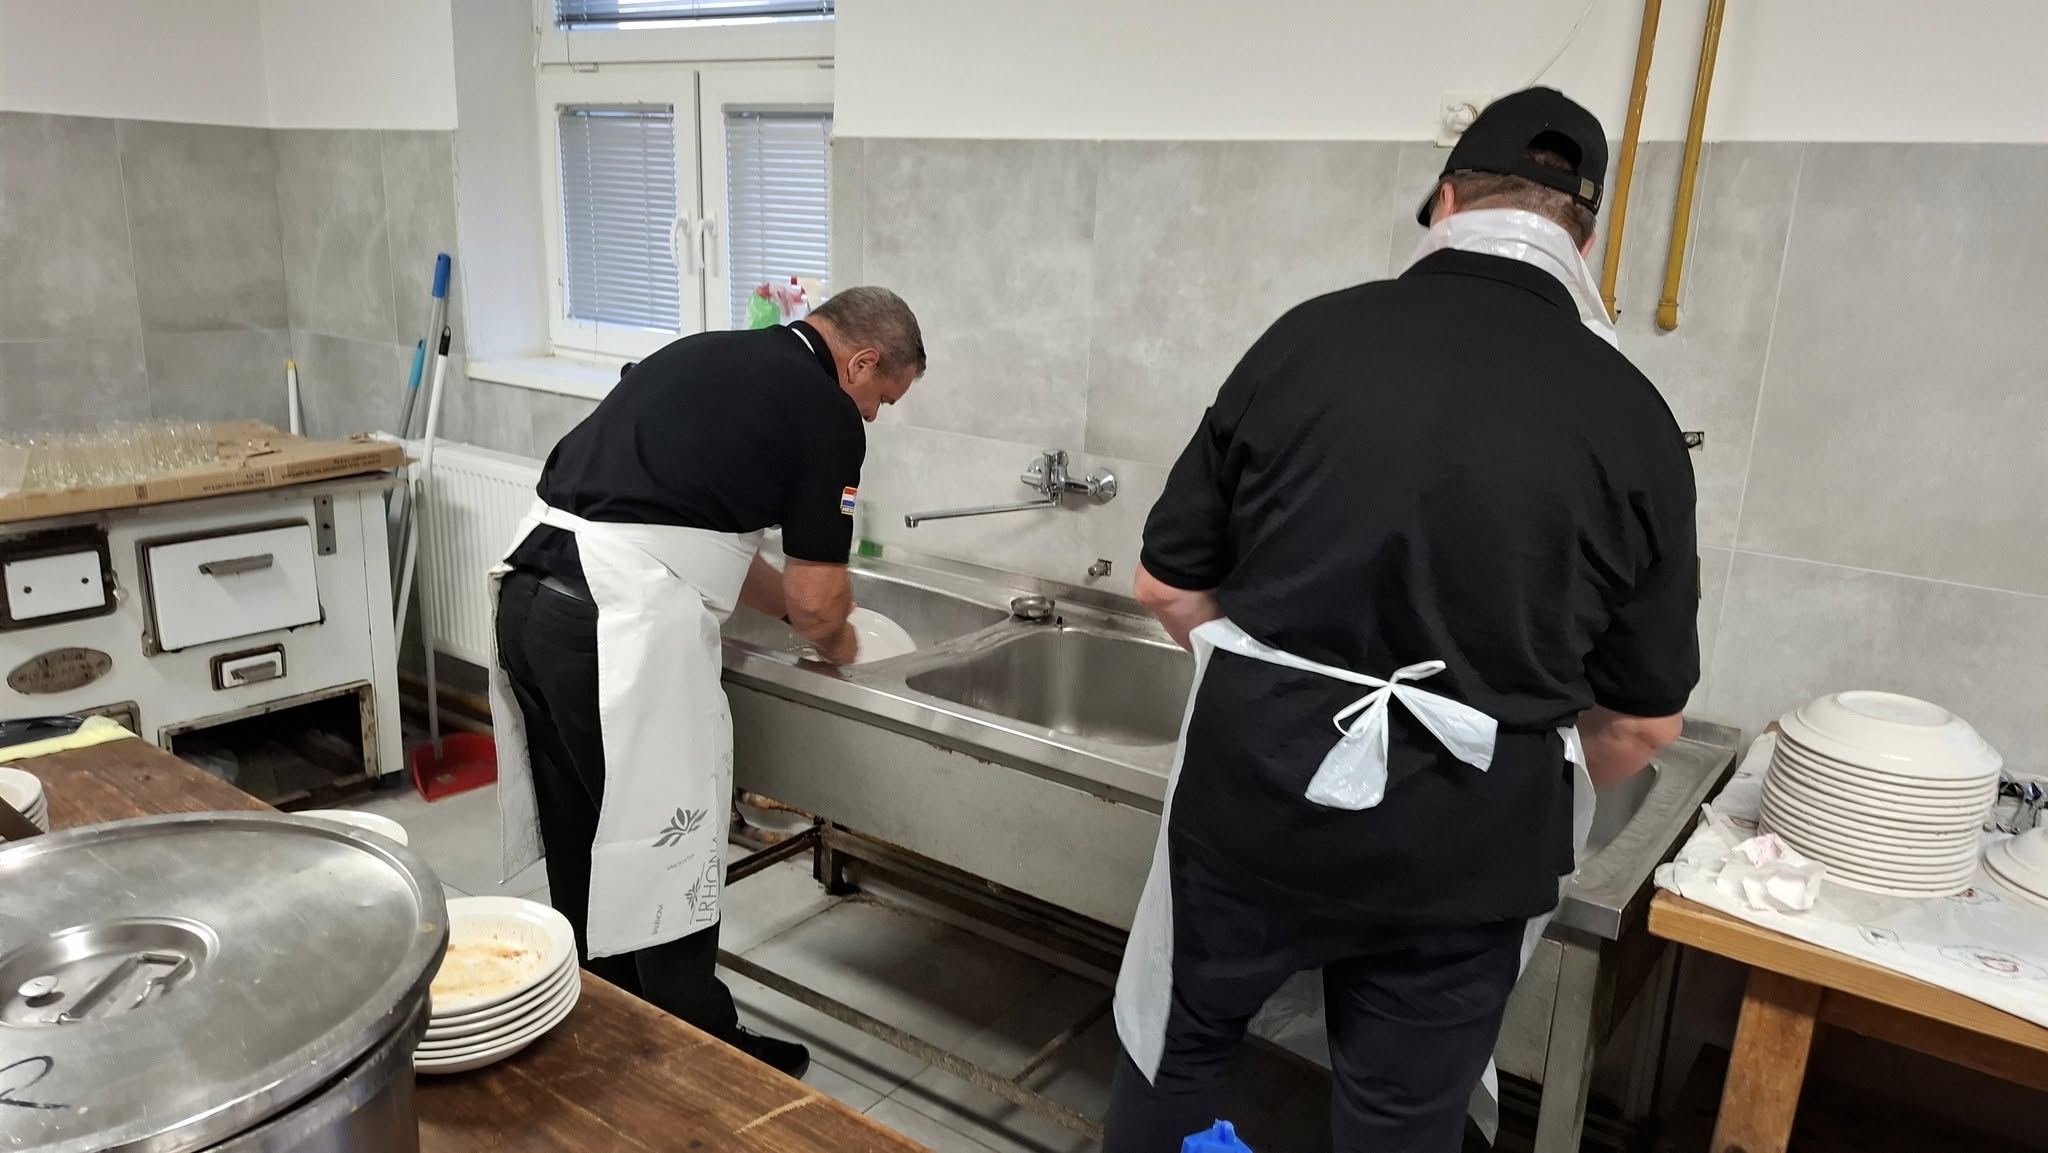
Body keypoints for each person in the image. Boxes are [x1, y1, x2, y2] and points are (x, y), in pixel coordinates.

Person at [1105, 88, 1699, 1153]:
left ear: (1444, 200)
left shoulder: (1303, 340)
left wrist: (1279, 697)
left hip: (1253, 804)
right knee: (1401, 1121)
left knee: (1180, 1056)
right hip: (1467, 851)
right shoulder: (1635, 416)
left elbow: (1163, 586)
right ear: (1585, 241)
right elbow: (1642, 723)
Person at [488, 287, 926, 1077]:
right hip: (609, 621)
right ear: (861, 362)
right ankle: (704, 1055)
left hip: (529, 592)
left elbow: (696, 534)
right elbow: (818, 600)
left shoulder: (706, 353)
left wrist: (795, 614)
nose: (873, 415)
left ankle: (603, 1017)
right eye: (882, 397)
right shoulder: (825, 411)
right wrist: (843, 640)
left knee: (582, 826)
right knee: (668, 834)